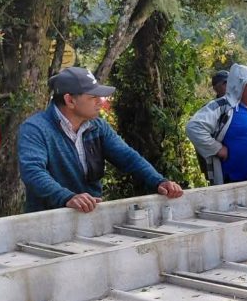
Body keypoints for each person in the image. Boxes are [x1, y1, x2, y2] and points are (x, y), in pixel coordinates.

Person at [18, 67, 183, 213]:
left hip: (91, 214)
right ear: (70, 100)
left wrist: (159, 181)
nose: (100, 101)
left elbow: (128, 157)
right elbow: (33, 172)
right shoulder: (35, 129)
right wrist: (66, 197)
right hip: (47, 220)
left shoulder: (98, 126)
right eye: (93, 97)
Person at [186, 63, 247, 185]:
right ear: (240, 85)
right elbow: (193, 127)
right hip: (232, 183)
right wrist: (218, 149)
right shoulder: (224, 107)